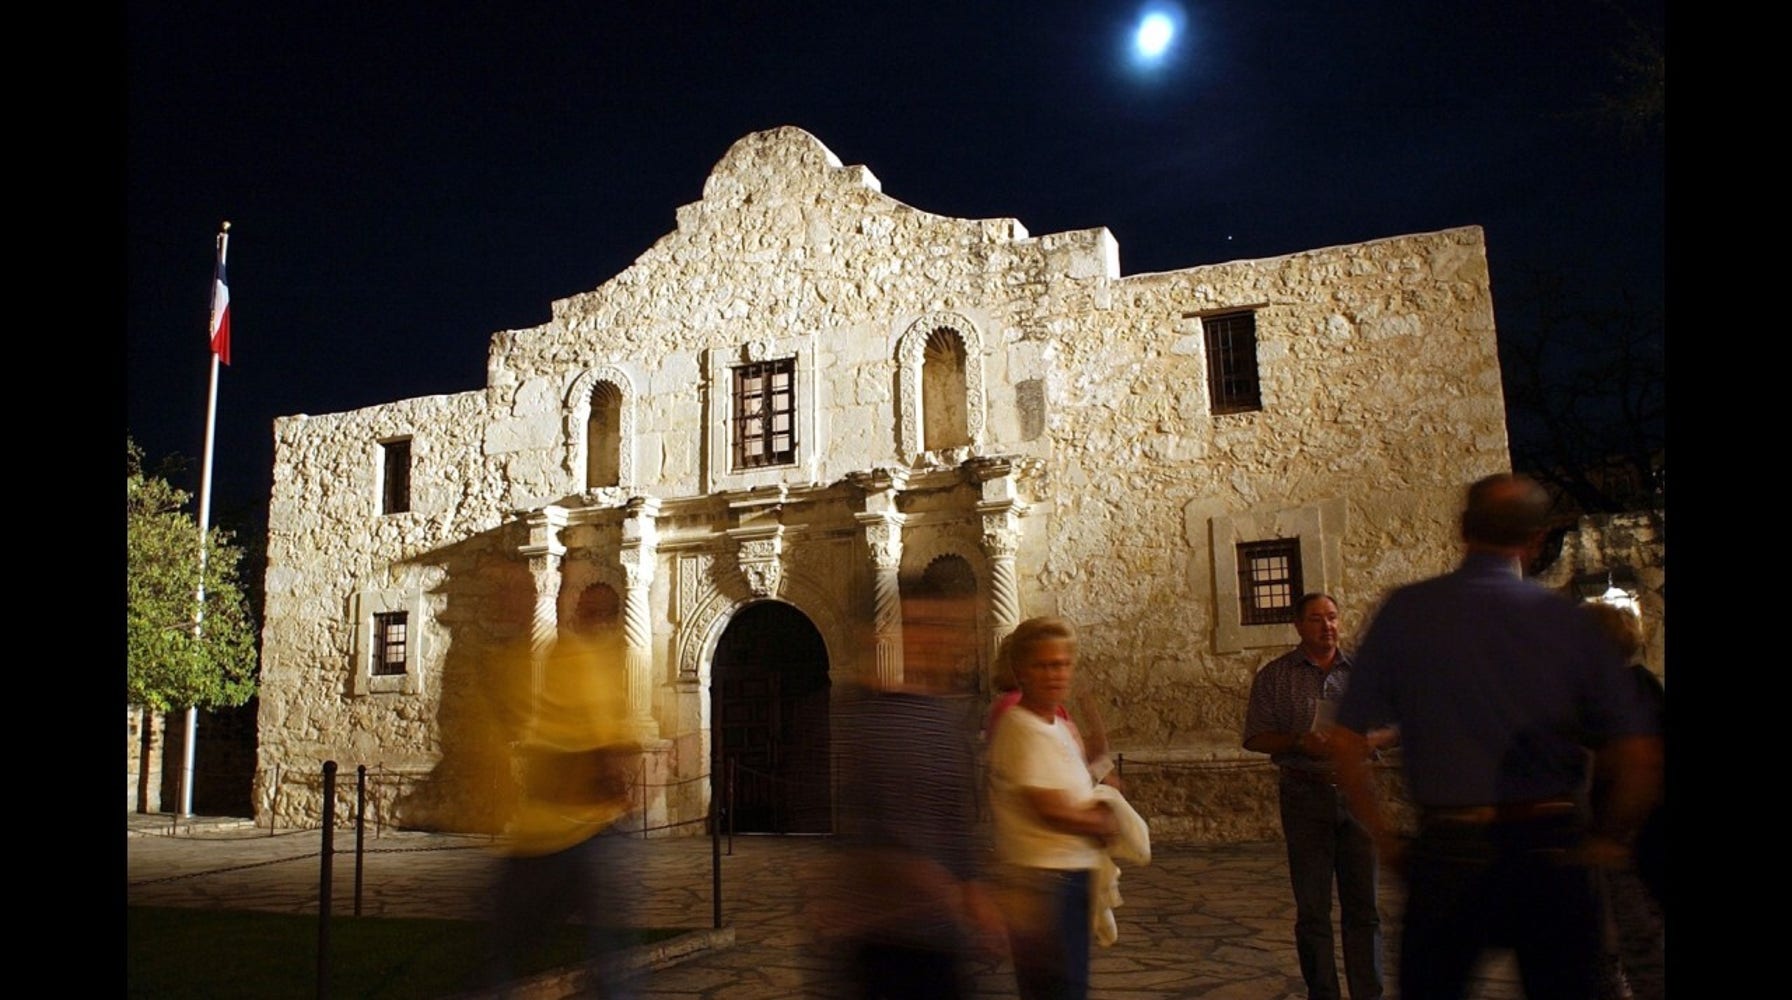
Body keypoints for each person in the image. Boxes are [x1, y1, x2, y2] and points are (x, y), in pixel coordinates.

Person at [1330, 474, 1663, 998]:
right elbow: (1639, 753)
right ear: (1536, 540)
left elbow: (1345, 740)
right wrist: (1607, 840)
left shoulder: (1408, 612)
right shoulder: (1568, 622)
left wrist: (1386, 837)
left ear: (1463, 529)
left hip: (1450, 852)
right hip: (1551, 853)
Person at [828, 588, 1006, 998]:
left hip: (941, 936)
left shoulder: (941, 719)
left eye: (945, 626)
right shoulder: (870, 717)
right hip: (888, 937)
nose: (937, 638)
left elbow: (952, 824)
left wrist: (974, 891)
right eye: (922, 625)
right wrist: (935, 883)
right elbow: (862, 833)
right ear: (890, 634)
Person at [481, 623, 642, 998]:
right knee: (609, 957)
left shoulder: (572, 656)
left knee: (504, 949)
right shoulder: (571, 656)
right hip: (570, 830)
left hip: (564, 831)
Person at [1242, 593, 1391, 1000]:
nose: (1326, 626)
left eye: (1332, 618)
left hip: (1357, 792)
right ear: (1298, 626)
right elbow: (1254, 736)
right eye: (1316, 620)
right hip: (1304, 794)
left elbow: (1395, 726)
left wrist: (1363, 740)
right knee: (1312, 909)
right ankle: (1322, 991)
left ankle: (1367, 991)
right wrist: (1299, 741)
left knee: (1364, 906)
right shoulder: (1275, 677)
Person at [986, 616, 1118, 1000]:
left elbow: (1073, 780)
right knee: (1056, 989)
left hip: (1070, 877)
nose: (1055, 674)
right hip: (1043, 884)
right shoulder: (1019, 725)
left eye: (1061, 664)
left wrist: (1097, 770)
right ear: (1020, 670)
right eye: (1043, 665)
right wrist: (1102, 821)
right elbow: (1049, 808)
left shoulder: (1055, 724)